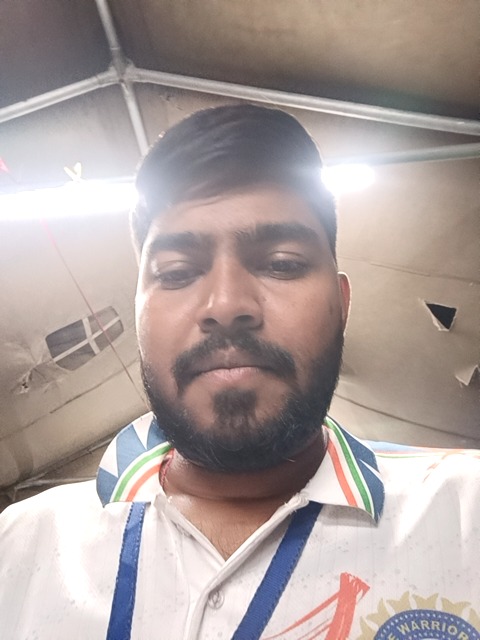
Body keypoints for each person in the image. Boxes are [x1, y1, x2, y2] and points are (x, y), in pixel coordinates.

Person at [0, 105, 479, 640]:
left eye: (281, 263)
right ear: (139, 317)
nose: (226, 305)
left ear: (342, 305)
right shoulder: (20, 549)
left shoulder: (466, 516)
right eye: (177, 272)